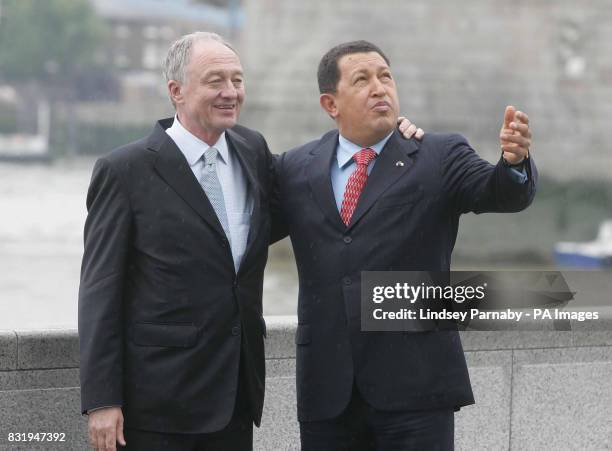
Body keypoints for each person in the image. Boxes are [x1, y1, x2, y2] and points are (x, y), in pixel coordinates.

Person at [78, 32, 422, 451]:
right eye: (215, 81)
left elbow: (317, 185)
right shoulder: (124, 171)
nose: (230, 93)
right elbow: (99, 292)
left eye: (237, 80)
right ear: (176, 91)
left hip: (236, 398)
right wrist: (102, 400)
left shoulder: (253, 151)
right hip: (155, 404)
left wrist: (390, 138)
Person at [271, 40, 536, 450]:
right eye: (362, 80)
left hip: (417, 389)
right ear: (330, 103)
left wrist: (514, 164)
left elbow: (498, 192)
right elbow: (246, 231)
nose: (379, 88)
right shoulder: (295, 167)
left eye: (385, 76)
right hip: (327, 392)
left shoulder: (438, 154)